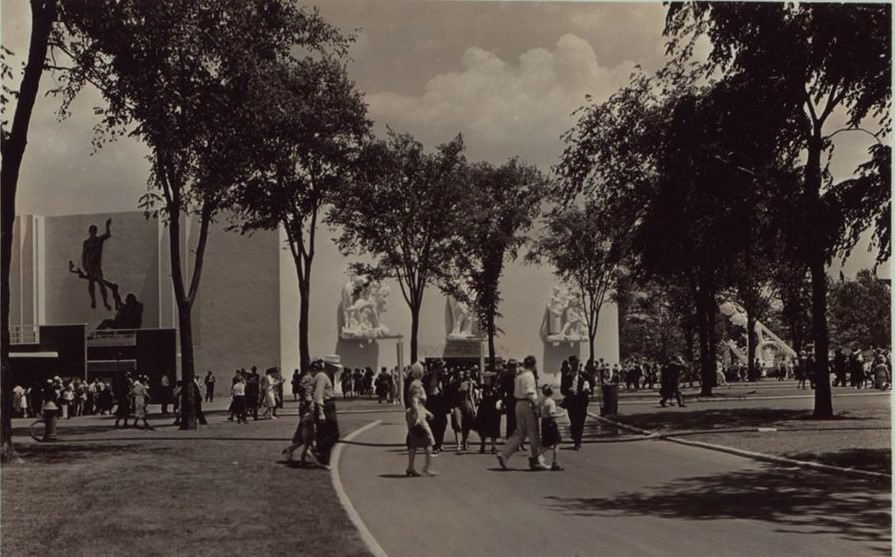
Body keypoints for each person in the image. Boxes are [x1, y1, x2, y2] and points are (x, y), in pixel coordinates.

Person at [497, 355, 548, 471]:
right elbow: (530, 393)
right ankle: (535, 459)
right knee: (533, 432)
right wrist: (536, 406)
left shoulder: (519, 376)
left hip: (518, 404)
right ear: (534, 365)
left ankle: (504, 453)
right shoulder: (529, 376)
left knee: (520, 432)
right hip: (527, 404)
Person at [405, 362, 436, 477]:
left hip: (415, 415)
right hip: (418, 417)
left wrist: (427, 412)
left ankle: (410, 467)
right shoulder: (417, 385)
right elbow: (415, 401)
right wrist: (419, 416)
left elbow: (417, 404)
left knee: (414, 442)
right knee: (429, 441)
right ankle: (427, 467)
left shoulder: (414, 384)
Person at [283, 367, 319, 466]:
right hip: (307, 407)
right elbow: (307, 393)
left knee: (305, 431)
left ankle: (293, 449)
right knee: (308, 430)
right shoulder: (309, 378)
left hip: (304, 406)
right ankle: (306, 450)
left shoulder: (305, 378)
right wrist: (310, 402)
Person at [311, 359, 339, 469]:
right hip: (326, 406)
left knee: (323, 433)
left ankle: (323, 460)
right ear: (328, 366)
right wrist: (321, 412)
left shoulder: (325, 376)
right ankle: (318, 451)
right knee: (333, 433)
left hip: (329, 404)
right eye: (334, 366)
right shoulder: (322, 376)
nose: (336, 369)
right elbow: (318, 394)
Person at [81, 218, 113, 310]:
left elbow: (108, 234)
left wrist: (107, 226)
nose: (93, 233)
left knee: (101, 283)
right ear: (89, 232)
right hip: (90, 265)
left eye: (95, 231)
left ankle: (105, 302)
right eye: (92, 231)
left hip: (97, 265)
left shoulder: (99, 240)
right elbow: (84, 255)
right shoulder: (86, 243)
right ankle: (93, 300)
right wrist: (84, 266)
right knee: (91, 283)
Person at [564, 359, 591, 450]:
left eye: (577, 367)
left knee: (581, 422)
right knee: (574, 421)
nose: (575, 370)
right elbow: (562, 390)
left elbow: (592, 381)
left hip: (582, 402)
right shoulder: (566, 377)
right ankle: (574, 434)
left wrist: (587, 390)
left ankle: (578, 441)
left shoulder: (584, 376)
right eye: (573, 367)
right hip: (571, 402)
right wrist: (568, 390)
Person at [540, 385, 563, 471]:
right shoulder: (551, 402)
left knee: (546, 442)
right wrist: (561, 415)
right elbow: (551, 414)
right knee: (556, 442)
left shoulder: (542, 400)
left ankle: (536, 457)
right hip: (550, 422)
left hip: (544, 422)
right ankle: (555, 462)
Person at [475, 382, 501, 454]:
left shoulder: (497, 388)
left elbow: (500, 398)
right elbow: (478, 400)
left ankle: (493, 446)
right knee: (483, 429)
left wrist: (499, 402)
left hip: (493, 410)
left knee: (494, 429)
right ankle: (482, 445)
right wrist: (479, 395)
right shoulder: (482, 388)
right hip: (484, 410)